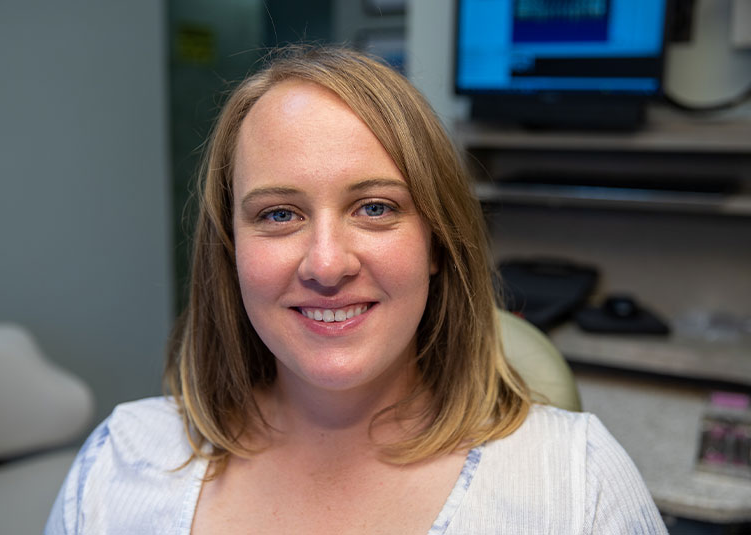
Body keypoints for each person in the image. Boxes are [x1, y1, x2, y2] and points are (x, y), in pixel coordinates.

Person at [46, 46, 667, 534]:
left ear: (437, 242)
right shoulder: (117, 465)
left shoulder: (578, 483)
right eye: (279, 215)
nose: (326, 263)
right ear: (231, 252)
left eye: (374, 208)